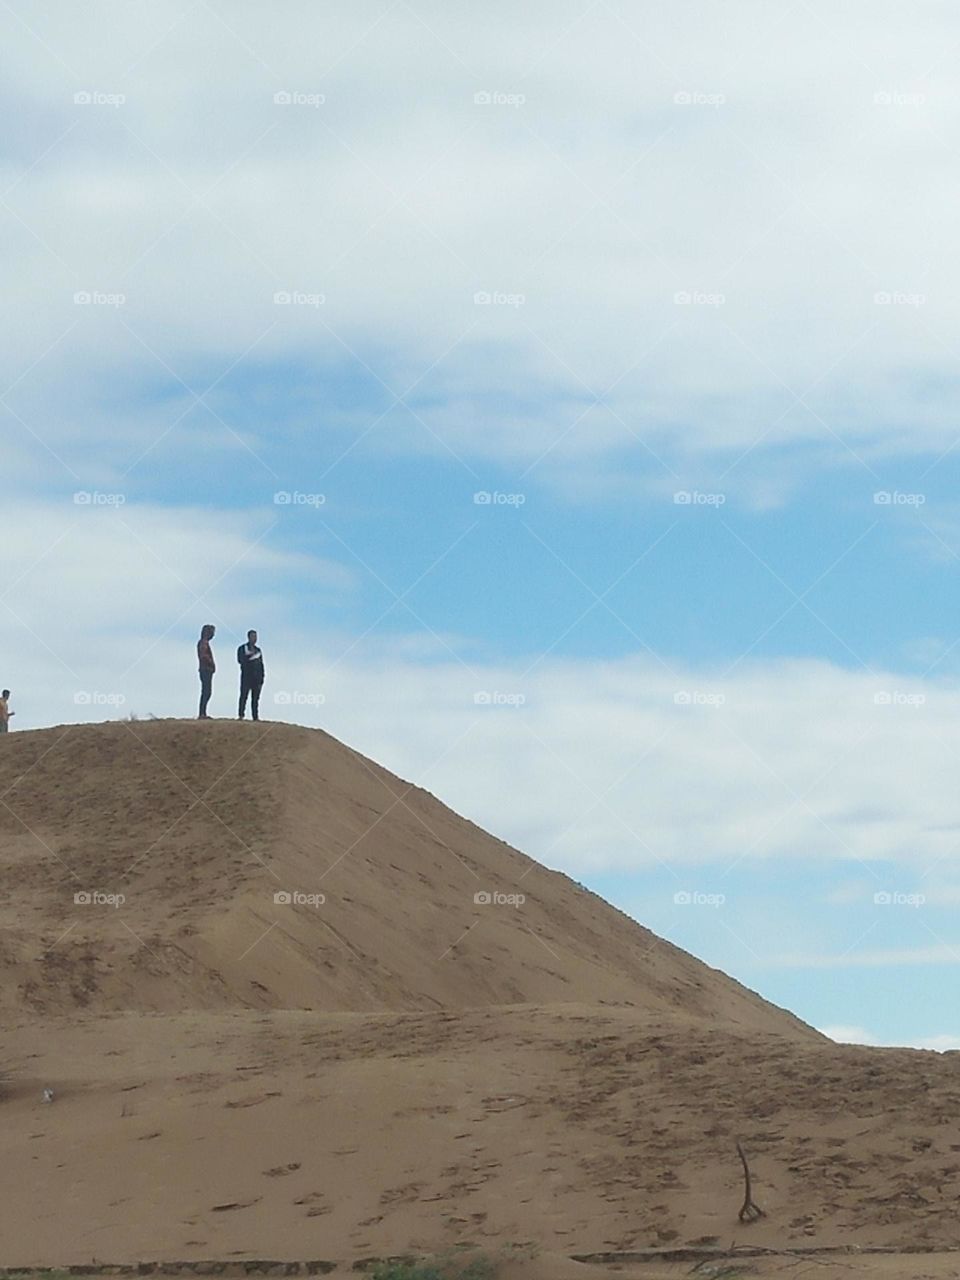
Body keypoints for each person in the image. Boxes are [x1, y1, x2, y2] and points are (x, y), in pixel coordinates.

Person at [237, 629, 265, 721]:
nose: (254, 638)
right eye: (253, 636)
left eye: (256, 637)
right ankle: (241, 715)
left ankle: (255, 716)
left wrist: (262, 677)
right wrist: (250, 658)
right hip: (246, 676)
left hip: (257, 678)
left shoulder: (258, 650)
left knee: (255, 698)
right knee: (243, 696)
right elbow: (240, 660)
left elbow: (261, 664)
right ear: (248, 637)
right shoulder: (242, 648)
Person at [197, 625, 216, 718]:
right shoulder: (203, 643)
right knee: (206, 691)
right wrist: (211, 663)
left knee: (206, 691)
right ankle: (202, 713)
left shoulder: (204, 643)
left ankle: (203, 712)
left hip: (206, 669)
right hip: (206, 669)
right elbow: (204, 656)